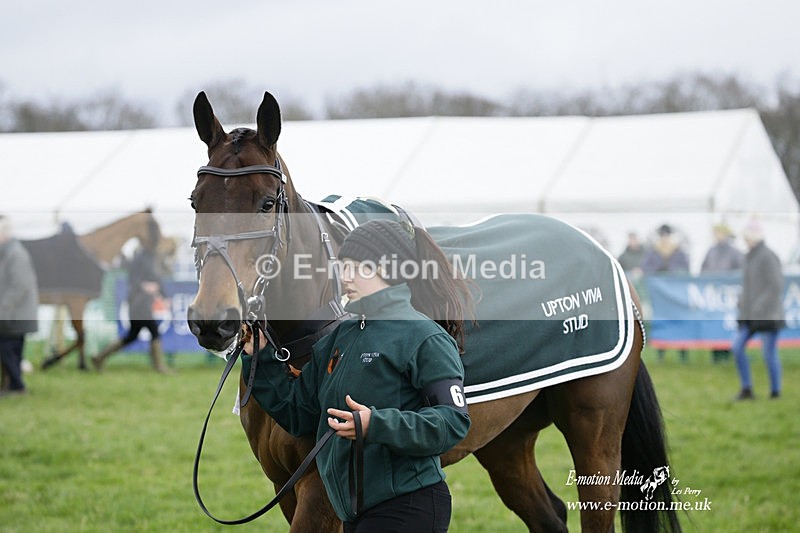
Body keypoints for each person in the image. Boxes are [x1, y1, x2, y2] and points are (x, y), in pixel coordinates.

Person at [243, 219, 473, 532]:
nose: (345, 277)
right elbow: (297, 414)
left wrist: (376, 424)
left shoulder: (424, 336)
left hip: (409, 507)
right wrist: (260, 357)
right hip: (355, 515)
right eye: (343, 266)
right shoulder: (340, 338)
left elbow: (452, 422)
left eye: (358, 268)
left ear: (389, 271)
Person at [91, 243, 170, 373]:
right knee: (154, 331)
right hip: (137, 305)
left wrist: (164, 296)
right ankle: (159, 367)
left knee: (131, 336)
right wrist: (145, 286)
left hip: (141, 305)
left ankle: (99, 357)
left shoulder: (150, 259)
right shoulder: (139, 259)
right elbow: (134, 280)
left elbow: (157, 279)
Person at [732, 219, 785, 400]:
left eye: (747, 237)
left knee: (769, 353)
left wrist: (759, 306)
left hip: (769, 315)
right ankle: (747, 389)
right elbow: (748, 286)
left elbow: (775, 286)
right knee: (737, 348)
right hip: (750, 316)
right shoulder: (748, 257)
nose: (745, 241)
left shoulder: (768, 256)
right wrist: (742, 301)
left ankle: (775, 392)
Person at [0, 215, 38, 397]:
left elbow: (19, 286)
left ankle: (16, 386)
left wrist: (3, 307)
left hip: (15, 314)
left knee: (7, 348)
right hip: (12, 313)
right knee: (10, 350)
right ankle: (11, 384)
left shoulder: (16, 254)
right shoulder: (8, 253)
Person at [641, 223, 690, 361]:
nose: (664, 239)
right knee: (661, 322)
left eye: (666, 236)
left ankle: (683, 353)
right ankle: (661, 354)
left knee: (680, 322)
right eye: (662, 236)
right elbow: (645, 268)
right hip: (660, 296)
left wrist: (672, 271)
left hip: (675, 294)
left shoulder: (678, 251)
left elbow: (685, 268)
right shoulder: (653, 251)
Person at [701, 223, 744, 363]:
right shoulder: (711, 251)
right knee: (714, 323)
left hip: (728, 295)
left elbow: (741, 270)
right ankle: (716, 353)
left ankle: (727, 352)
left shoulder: (735, 252)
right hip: (713, 295)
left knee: (727, 324)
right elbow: (704, 268)